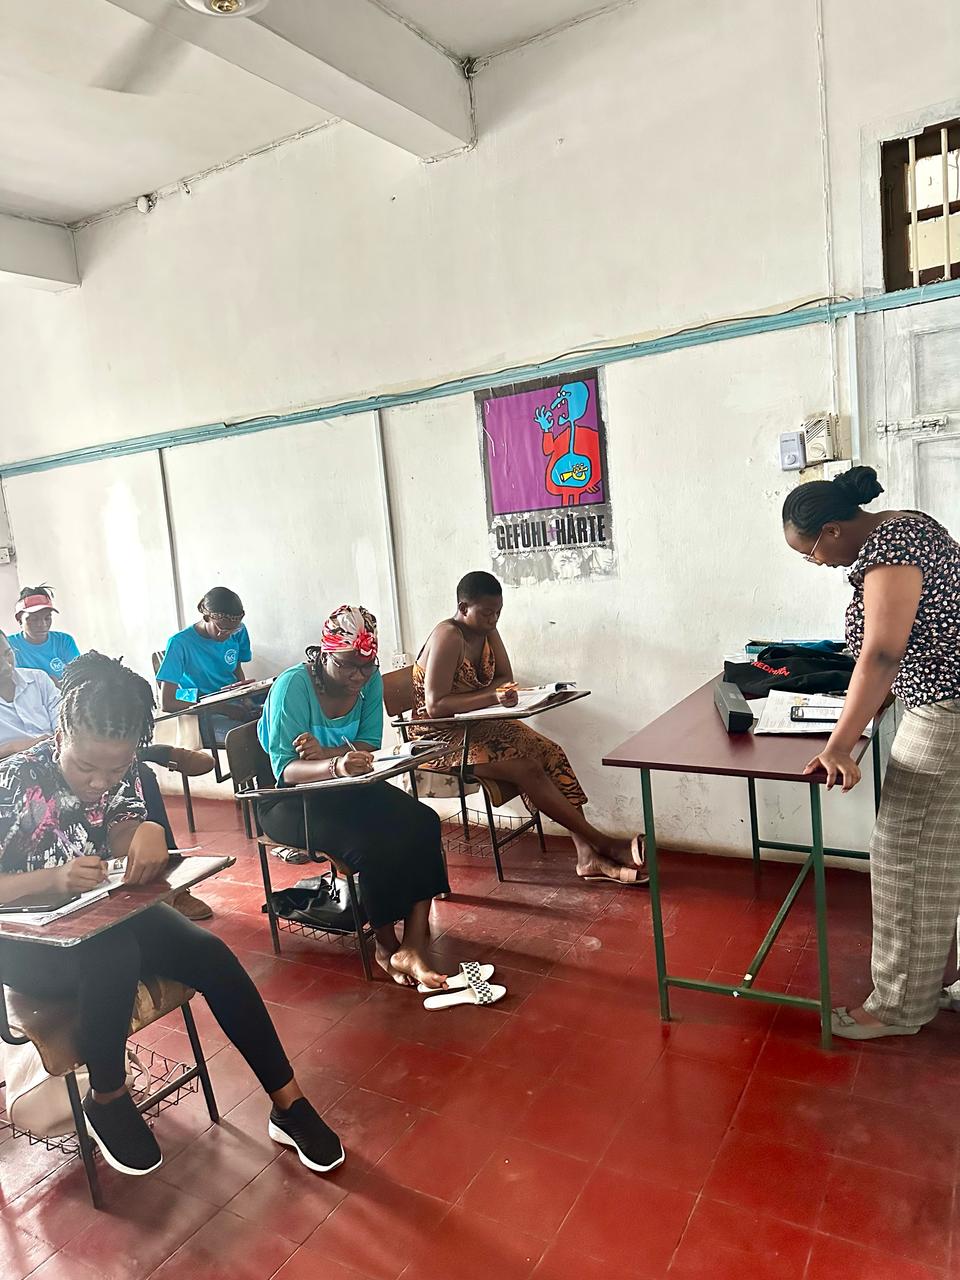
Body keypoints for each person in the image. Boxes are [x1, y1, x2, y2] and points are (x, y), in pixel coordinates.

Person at [0, 652, 344, 1178]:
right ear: (60, 733)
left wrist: (144, 835)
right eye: (86, 766)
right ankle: (108, 1097)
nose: (100, 780)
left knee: (211, 954)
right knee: (114, 950)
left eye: (115, 768)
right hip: (27, 941)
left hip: (97, 913)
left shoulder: (120, 773)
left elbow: (119, 822)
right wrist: (49, 880)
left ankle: (289, 1104)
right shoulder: (15, 781)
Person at [782, 465, 960, 1040]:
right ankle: (937, 983)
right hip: (941, 699)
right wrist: (869, 715)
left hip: (948, 711)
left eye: (809, 551)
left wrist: (839, 742)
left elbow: (883, 653)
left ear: (833, 530)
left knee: (903, 855)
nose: (815, 563)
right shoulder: (909, 527)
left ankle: (899, 1007)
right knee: (943, 849)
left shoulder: (892, 548)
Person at [257, 605, 450, 989]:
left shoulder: (367, 681)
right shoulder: (293, 687)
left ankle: (413, 944)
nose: (358, 677)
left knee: (423, 822)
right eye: (347, 666)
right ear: (325, 654)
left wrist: (330, 757)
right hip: (289, 800)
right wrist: (337, 765)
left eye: (367, 666)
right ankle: (385, 946)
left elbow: (365, 749)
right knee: (371, 844)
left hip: (349, 786)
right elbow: (287, 770)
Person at [412, 571, 644, 886]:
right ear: (463, 607)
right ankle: (602, 843)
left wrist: (495, 695)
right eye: (486, 613)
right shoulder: (449, 635)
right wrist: (491, 697)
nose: (493, 619)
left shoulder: (486, 630)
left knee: (550, 752)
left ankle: (585, 855)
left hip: (477, 725)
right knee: (528, 769)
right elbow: (436, 706)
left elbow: (504, 676)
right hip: (440, 741)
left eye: (498, 612)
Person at [156, 587, 264, 747]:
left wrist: (246, 699)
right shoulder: (180, 644)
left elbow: (235, 669)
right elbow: (168, 703)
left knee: (279, 714)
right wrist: (224, 709)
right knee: (252, 735)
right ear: (206, 617)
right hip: (203, 713)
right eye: (222, 629)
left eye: (233, 630)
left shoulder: (238, 631)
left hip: (234, 700)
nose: (227, 635)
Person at [0, 629, 60, 760]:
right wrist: (13, 747)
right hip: (9, 771)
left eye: (8, 654)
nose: (6, 664)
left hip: (56, 755)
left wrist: (58, 738)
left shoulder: (38, 679)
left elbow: (62, 717)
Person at [8, 585, 80, 685]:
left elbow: (79, 678)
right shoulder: (8, 646)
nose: (42, 624)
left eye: (47, 618)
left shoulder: (64, 641)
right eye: (34, 619)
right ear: (19, 620)